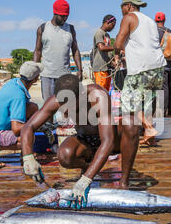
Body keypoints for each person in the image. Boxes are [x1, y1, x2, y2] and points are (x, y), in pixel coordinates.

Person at [20, 74, 126, 207]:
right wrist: (28, 157)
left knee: (131, 125)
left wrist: (85, 180)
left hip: (110, 139)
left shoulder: (98, 96)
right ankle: (89, 168)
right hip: (85, 139)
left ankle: (125, 181)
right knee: (64, 155)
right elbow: (28, 127)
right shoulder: (57, 100)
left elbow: (108, 141)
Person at [114, 0, 166, 148]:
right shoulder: (149, 20)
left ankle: (149, 128)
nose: (122, 10)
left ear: (129, 6)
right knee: (147, 103)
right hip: (158, 66)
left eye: (122, 6)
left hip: (141, 68)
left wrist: (117, 54)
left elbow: (118, 42)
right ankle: (150, 138)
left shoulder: (129, 17)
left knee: (127, 102)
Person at [0, 61, 42, 169]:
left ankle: (18, 150)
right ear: (35, 79)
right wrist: (37, 126)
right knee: (29, 136)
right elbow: (16, 129)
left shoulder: (14, 83)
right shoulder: (18, 96)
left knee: (33, 108)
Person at [34, 0, 83, 101]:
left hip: (65, 76)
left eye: (66, 16)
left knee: (65, 108)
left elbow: (75, 50)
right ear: (55, 13)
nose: (65, 18)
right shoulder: (42, 28)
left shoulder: (71, 29)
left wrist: (80, 70)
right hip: (47, 75)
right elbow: (38, 51)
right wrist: (34, 69)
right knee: (48, 107)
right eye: (62, 16)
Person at [155, 11, 171, 117]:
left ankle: (161, 112)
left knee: (162, 87)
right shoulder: (170, 31)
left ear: (155, 20)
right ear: (164, 20)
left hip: (160, 63)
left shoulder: (154, 31)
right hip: (170, 63)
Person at [92, 15, 117, 92]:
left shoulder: (107, 35)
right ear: (107, 22)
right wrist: (116, 47)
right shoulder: (99, 33)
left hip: (107, 68)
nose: (113, 28)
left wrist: (112, 60)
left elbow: (108, 51)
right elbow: (101, 48)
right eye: (112, 25)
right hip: (100, 69)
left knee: (105, 93)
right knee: (100, 93)